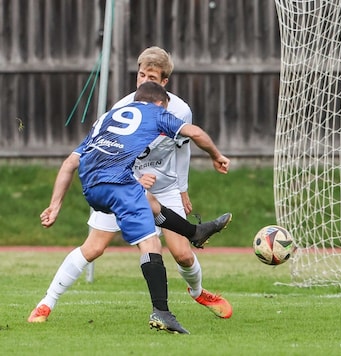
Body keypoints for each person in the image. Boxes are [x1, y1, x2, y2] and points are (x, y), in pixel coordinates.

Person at [29, 47, 233, 328]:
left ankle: (198, 293)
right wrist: (136, 180)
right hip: (124, 182)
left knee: (184, 254)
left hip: (163, 185)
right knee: (95, 247)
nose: (144, 80)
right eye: (141, 74)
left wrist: (183, 188)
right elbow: (111, 153)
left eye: (151, 76)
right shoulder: (121, 107)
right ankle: (46, 302)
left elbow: (184, 147)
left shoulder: (179, 110)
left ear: (164, 82)